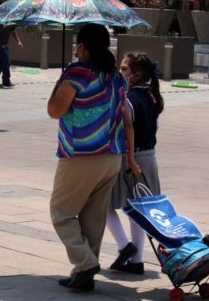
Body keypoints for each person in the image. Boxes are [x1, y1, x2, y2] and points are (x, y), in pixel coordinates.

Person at [48, 23, 140, 292]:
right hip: (111, 155)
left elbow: (55, 110)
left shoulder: (77, 73)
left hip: (80, 154)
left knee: (61, 213)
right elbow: (126, 119)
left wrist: (61, 80)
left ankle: (86, 263)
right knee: (92, 216)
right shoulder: (116, 76)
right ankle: (83, 272)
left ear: (81, 47)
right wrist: (130, 157)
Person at [106, 52, 164, 275]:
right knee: (138, 209)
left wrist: (129, 157)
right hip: (150, 156)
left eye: (124, 69)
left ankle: (124, 246)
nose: (120, 73)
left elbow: (127, 127)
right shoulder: (152, 96)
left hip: (132, 157)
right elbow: (155, 127)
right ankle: (137, 260)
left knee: (102, 203)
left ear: (136, 75)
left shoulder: (129, 99)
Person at [0, 23, 23, 88]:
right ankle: (3, 80)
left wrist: (18, 41)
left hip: (4, 43)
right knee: (6, 61)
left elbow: (13, 32)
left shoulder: (11, 21)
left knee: (1, 62)